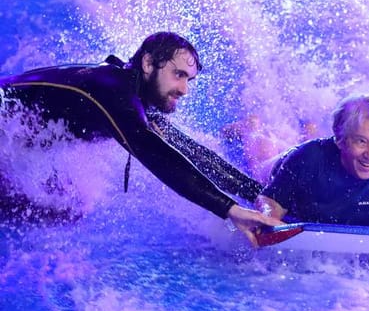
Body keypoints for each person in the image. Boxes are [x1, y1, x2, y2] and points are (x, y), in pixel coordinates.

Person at [0, 32, 280, 244]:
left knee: (66, 208)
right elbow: (156, 155)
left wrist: (258, 193)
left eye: (188, 80)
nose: (184, 89)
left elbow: (189, 152)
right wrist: (229, 210)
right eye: (178, 75)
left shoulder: (134, 99)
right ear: (148, 63)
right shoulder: (111, 91)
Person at [256, 94, 369, 244]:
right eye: (361, 141)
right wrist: (269, 216)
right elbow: (271, 200)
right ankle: (251, 128)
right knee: (260, 158)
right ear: (340, 140)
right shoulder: (306, 158)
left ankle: (309, 129)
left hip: (320, 158)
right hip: (281, 166)